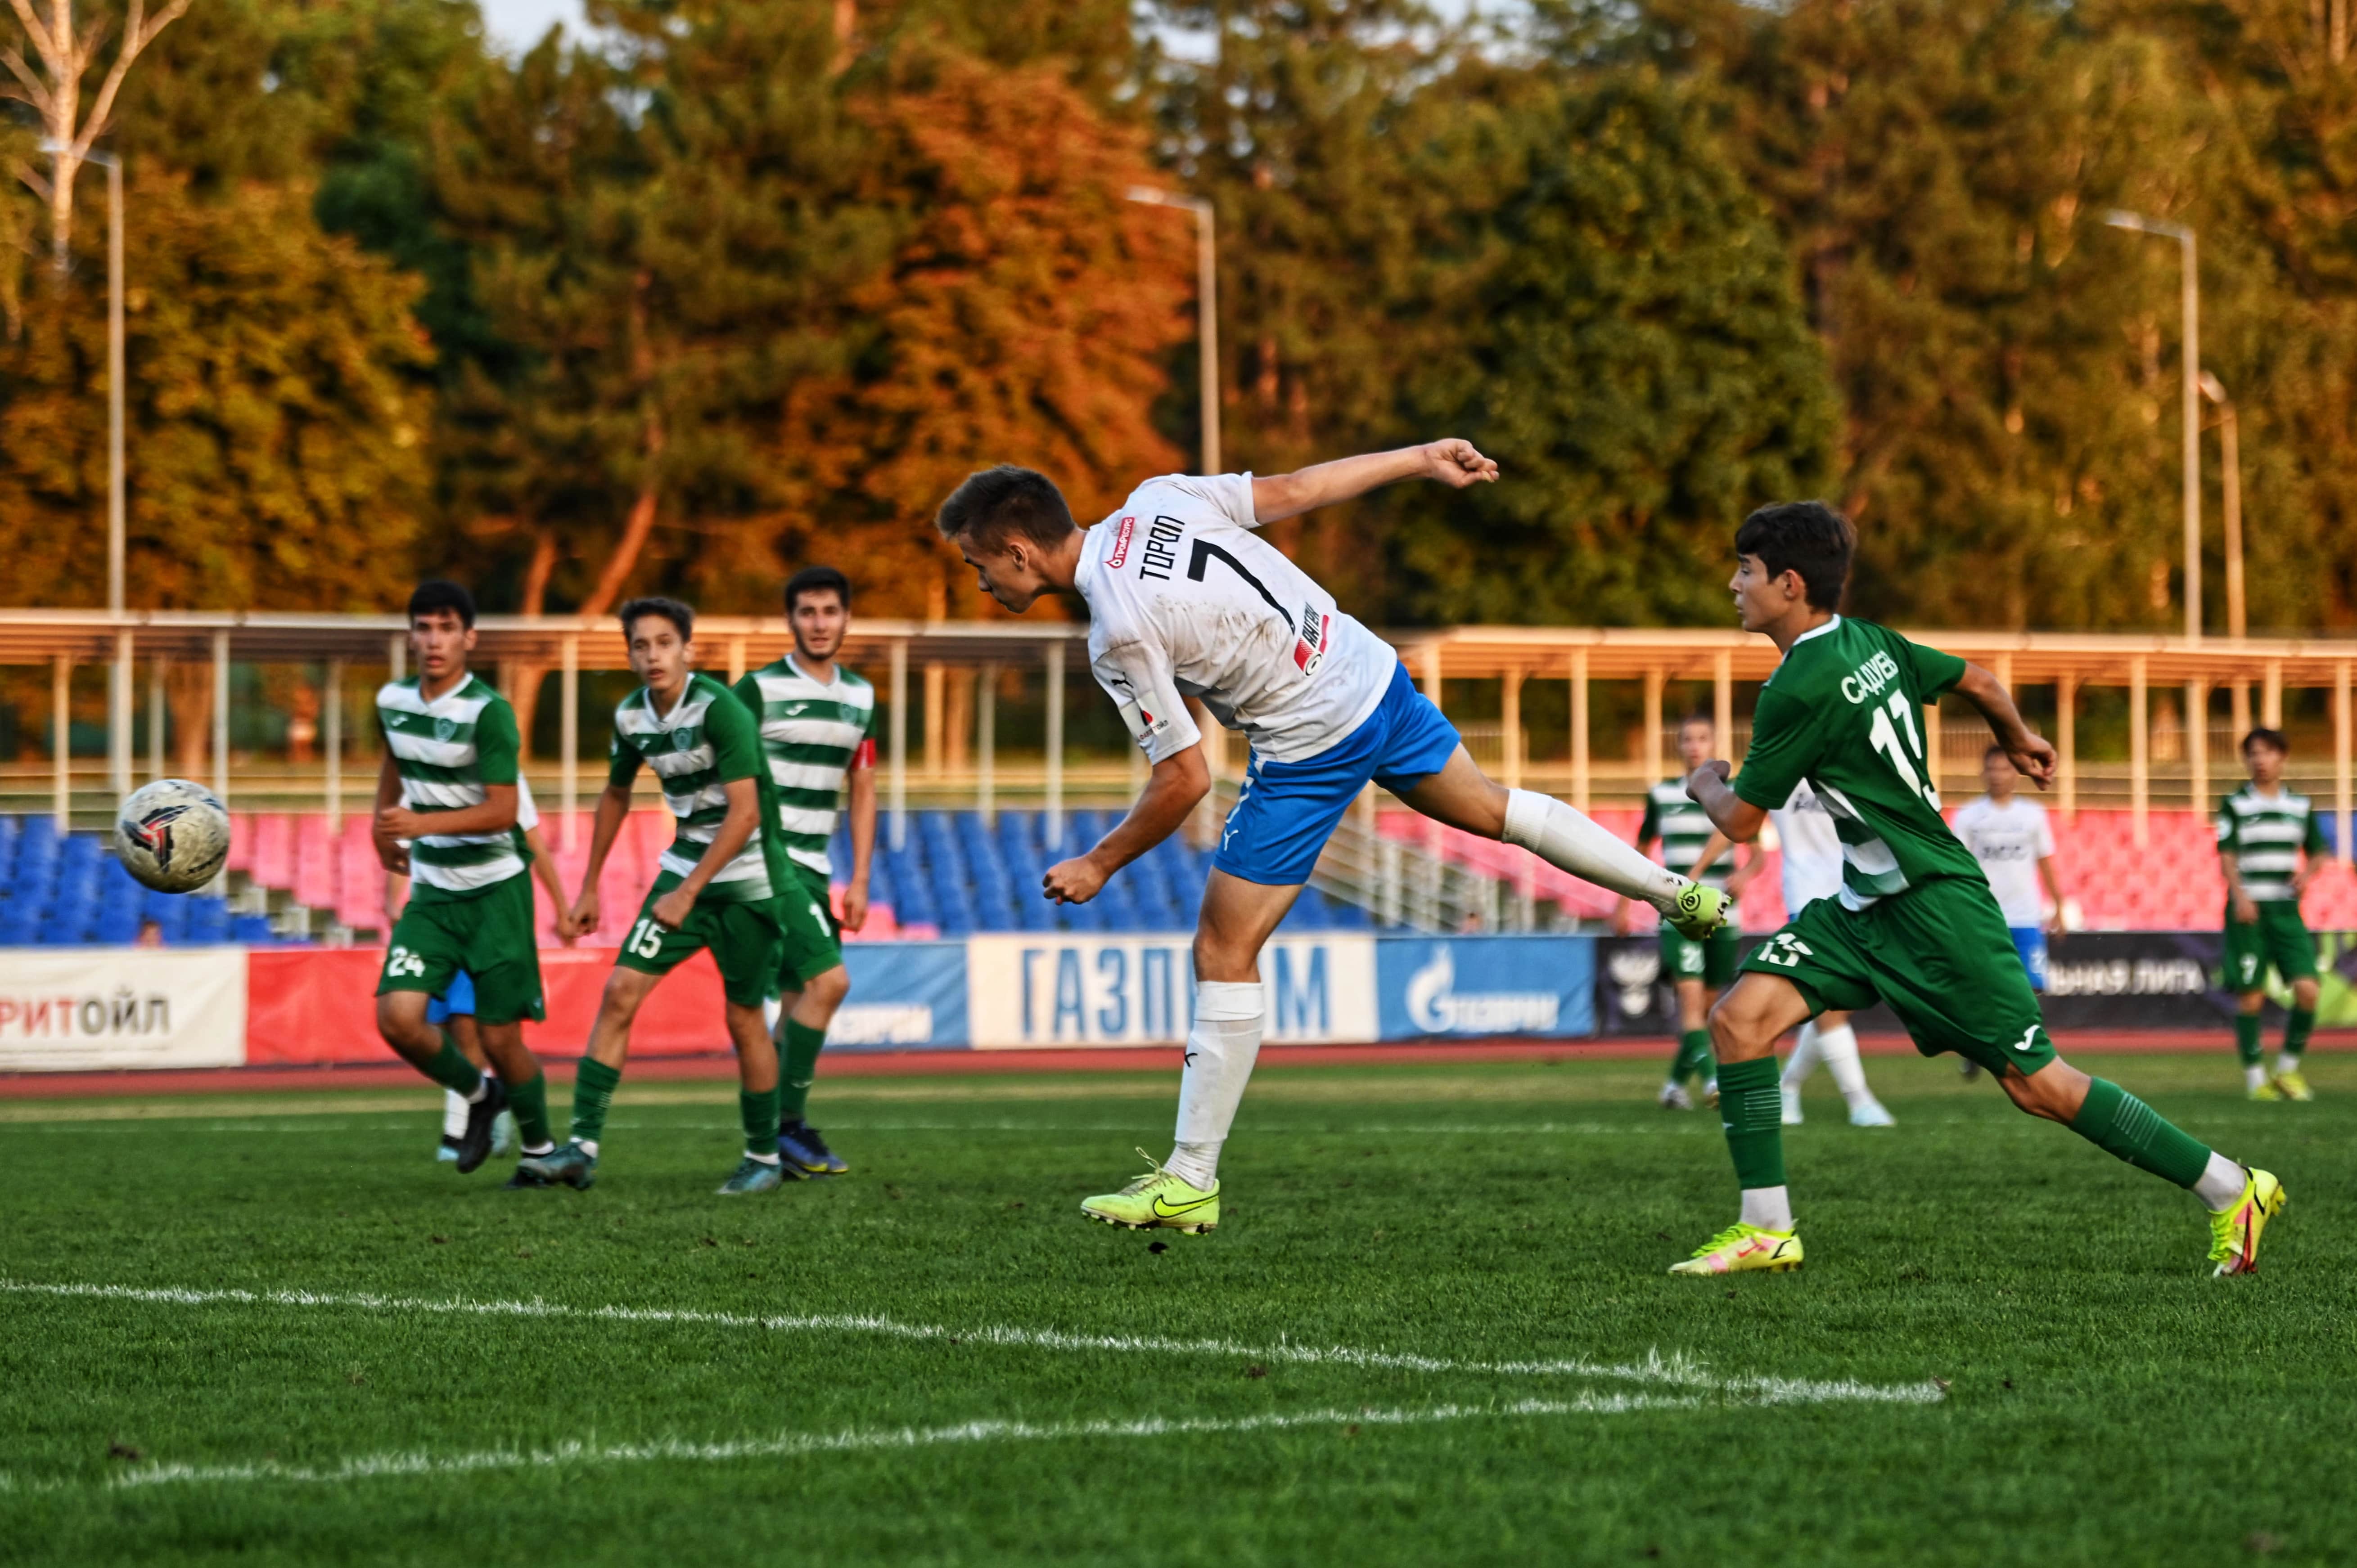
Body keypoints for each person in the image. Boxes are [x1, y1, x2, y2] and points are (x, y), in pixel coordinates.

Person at [932, 442, 1730, 1234]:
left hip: (1311, 739)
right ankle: (1675, 892)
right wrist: (1420, 457)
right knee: (1492, 808)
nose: (980, 580)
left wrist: (1098, 862)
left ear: (1019, 550)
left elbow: (1183, 780)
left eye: (978, 565)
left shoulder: (1115, 630)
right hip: (1369, 671)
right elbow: (1298, 487)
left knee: (1221, 950)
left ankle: (1189, 1180)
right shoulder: (1157, 497)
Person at [1674, 501, 2283, 1277]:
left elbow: (1740, 823)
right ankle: (1765, 1227)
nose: (1733, 585)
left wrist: (1701, 782)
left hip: (1932, 907)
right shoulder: (1872, 642)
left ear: (1789, 585)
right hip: (1867, 903)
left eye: (1746, 571)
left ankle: (2233, 1186)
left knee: (2040, 1087)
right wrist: (2017, 735)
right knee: (1740, 1021)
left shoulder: (1797, 686)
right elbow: (1980, 679)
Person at [516, 598, 793, 1196]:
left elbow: (745, 814)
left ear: (688, 650)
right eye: (641, 645)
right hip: (684, 870)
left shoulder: (721, 710)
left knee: (744, 1019)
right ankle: (581, 1150)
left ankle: (764, 1157)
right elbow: (616, 795)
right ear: (630, 655)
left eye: (665, 643)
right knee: (619, 991)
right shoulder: (631, 718)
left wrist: (688, 893)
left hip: (746, 882)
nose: (653, 656)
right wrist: (590, 884)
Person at [370, 580, 557, 1176]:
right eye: (424, 627)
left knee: (502, 1039)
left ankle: (540, 1152)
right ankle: (481, 1097)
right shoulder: (392, 700)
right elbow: (394, 761)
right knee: (397, 1018)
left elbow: (504, 811)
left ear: (469, 638)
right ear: (410, 636)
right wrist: (382, 831)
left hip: (497, 893)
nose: (434, 640)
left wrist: (419, 822)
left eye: (447, 628)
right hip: (432, 895)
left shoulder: (489, 712)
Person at [736, 565, 878, 1177]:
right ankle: (786, 1128)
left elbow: (864, 788)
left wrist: (862, 878)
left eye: (829, 611)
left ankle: (772, 1139)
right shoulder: (756, 690)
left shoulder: (862, 698)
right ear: (790, 620)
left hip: (816, 871)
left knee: (798, 1004)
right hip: (765, 864)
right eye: (808, 612)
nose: (819, 623)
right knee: (830, 984)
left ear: (846, 618)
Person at [387, 777, 575, 1162]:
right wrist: (393, 901)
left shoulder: (500, 773)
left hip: (486, 918)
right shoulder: (416, 770)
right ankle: (484, 1100)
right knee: (428, 1027)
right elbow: (400, 846)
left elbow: (533, 841)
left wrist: (561, 907)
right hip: (436, 917)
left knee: (478, 1031)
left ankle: (465, 1132)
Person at [1619, 715, 1761, 1111]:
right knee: (1690, 1001)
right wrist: (1621, 903)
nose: (1694, 745)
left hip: (1723, 916)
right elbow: (1641, 849)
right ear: (1678, 746)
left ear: (1713, 744)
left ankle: (1673, 1087)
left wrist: (1744, 874)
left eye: (1702, 738)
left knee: (1706, 1011)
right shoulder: (1661, 794)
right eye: (1687, 739)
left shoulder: (1734, 793)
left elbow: (1759, 855)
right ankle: (1714, 1080)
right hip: (1677, 913)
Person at [1773, 778, 1893, 1127]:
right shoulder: (1779, 762)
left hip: (1854, 893)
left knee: (1838, 1005)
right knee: (1830, 1007)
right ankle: (1859, 1100)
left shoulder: (1842, 763)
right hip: (1805, 897)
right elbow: (1739, 817)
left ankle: (1787, 1086)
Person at [2219, 728, 2328, 1101]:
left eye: (2266, 753)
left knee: (2308, 989)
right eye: (2252, 754)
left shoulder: (2300, 805)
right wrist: (2240, 896)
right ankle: (2255, 1080)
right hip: (2249, 911)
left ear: (2282, 757)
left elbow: (2317, 851)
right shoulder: (2235, 804)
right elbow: (2227, 854)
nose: (2259, 760)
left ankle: (2287, 1070)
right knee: (2250, 995)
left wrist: (2307, 875)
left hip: (2286, 910)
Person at [1951, 745, 2068, 1083]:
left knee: (2031, 988)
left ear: (2015, 774)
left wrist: (2058, 905)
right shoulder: (1968, 816)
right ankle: (1976, 1048)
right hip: (1984, 916)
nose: (1998, 775)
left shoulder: (2032, 815)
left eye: (2004, 769)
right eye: (1992, 769)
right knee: (1981, 987)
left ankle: (2024, 1052)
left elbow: (2045, 860)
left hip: (2026, 915)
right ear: (1982, 772)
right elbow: (1958, 865)